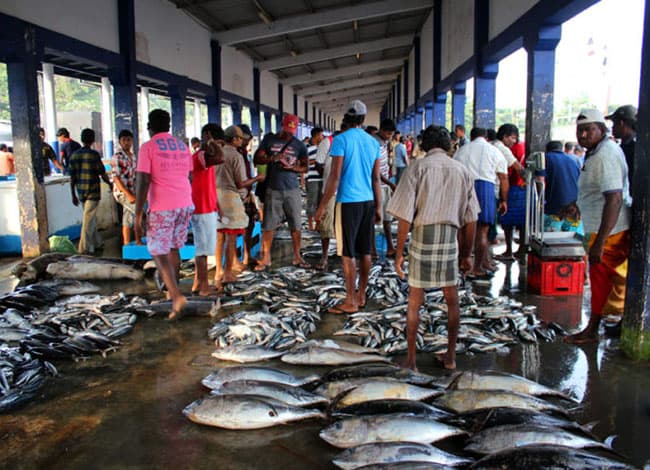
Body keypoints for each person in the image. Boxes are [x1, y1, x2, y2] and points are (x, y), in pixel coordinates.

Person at [389, 125, 479, 370]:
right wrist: (467, 255)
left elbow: (404, 217)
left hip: (422, 236)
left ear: (424, 145)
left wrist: (399, 254)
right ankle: (450, 357)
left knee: (415, 301)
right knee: (452, 301)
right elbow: (471, 219)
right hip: (450, 238)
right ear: (449, 145)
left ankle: (411, 360)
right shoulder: (463, 171)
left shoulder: (416, 168)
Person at [565, 109, 632, 344]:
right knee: (600, 280)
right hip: (596, 228)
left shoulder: (606, 155)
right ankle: (599, 327)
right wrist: (577, 205)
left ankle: (593, 330)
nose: (583, 135)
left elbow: (614, 199)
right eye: (580, 130)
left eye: (588, 130)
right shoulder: (596, 152)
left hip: (610, 233)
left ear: (602, 131)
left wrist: (600, 243)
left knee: (605, 282)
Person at [314, 100, 381, 314]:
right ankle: (361, 295)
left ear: (346, 118)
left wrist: (321, 206)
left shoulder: (341, 140)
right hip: (368, 201)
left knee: (347, 253)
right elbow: (376, 178)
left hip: (348, 202)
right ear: (362, 119)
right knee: (365, 251)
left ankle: (350, 300)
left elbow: (334, 177)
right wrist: (379, 206)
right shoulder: (373, 143)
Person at [135, 109, 193, 320]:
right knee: (173, 247)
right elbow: (189, 175)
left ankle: (176, 296)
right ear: (168, 125)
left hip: (163, 206)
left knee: (158, 251)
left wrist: (137, 214)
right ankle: (171, 291)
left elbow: (142, 180)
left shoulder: (148, 147)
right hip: (185, 202)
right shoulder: (182, 146)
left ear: (150, 127)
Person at [253, 114, 308, 270]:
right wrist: (273, 158)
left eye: (292, 130)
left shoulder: (299, 145)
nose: (289, 133)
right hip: (273, 188)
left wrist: (293, 168)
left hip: (292, 189)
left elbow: (305, 167)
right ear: (282, 126)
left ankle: (297, 256)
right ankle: (266, 257)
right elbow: (257, 159)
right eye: (287, 129)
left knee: (296, 224)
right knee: (269, 224)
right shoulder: (269, 140)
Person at [454, 127, 508, 277]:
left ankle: (462, 263)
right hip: (485, 187)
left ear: (471, 137)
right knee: (482, 230)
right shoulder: (494, 151)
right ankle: (477, 267)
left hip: (464, 186)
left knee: (462, 229)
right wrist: (504, 200)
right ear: (486, 137)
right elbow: (503, 178)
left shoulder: (462, 150)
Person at [216, 125, 264, 284]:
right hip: (231, 198)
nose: (243, 141)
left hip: (216, 197)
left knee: (220, 235)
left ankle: (219, 270)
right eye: (240, 138)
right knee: (231, 236)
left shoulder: (216, 152)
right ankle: (229, 271)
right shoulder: (235, 155)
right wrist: (257, 179)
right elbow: (240, 183)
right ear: (235, 139)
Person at [191, 123, 225, 296]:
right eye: (218, 143)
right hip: (201, 207)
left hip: (208, 206)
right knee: (203, 250)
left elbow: (209, 183)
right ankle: (204, 286)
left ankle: (198, 282)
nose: (220, 148)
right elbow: (221, 158)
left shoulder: (205, 156)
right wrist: (210, 141)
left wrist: (216, 204)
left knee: (203, 248)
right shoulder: (201, 156)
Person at [68, 128, 112, 255]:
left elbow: (73, 177)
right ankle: (85, 248)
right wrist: (109, 183)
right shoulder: (94, 155)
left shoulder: (74, 155)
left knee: (89, 218)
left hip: (81, 191)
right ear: (93, 140)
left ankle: (97, 242)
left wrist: (73, 195)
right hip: (93, 191)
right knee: (88, 220)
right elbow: (102, 172)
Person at [492, 124, 525, 260]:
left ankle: (509, 251)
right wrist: (528, 179)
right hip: (508, 189)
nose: (514, 141)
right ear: (504, 137)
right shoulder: (502, 148)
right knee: (512, 220)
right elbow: (517, 168)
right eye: (512, 137)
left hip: (501, 188)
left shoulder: (492, 145)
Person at [316, 124, 340, 272]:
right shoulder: (328, 143)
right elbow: (319, 164)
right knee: (326, 225)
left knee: (344, 225)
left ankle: (341, 253)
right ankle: (324, 256)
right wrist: (327, 177)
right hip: (329, 192)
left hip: (346, 193)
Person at [542, 140, 581, 231]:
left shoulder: (545, 158)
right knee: (569, 234)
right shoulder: (572, 159)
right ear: (562, 149)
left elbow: (540, 179)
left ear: (547, 150)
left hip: (554, 204)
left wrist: (541, 200)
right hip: (573, 205)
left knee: (551, 233)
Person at [373, 118, 397, 257]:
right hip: (378, 186)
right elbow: (375, 172)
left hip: (384, 185)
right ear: (381, 130)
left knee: (387, 218)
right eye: (388, 133)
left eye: (391, 134)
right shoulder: (374, 143)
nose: (389, 136)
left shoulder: (384, 143)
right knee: (375, 219)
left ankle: (390, 246)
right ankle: (372, 249)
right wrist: (390, 183)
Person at [236, 124, 259, 267]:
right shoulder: (234, 154)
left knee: (250, 225)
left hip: (248, 193)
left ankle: (246, 256)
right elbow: (239, 180)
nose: (247, 142)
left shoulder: (245, 154)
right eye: (245, 139)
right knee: (235, 230)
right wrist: (256, 179)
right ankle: (234, 260)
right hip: (238, 195)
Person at [111, 130, 138, 245]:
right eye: (124, 140)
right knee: (139, 212)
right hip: (122, 192)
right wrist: (128, 194)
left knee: (128, 217)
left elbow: (135, 176)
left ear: (132, 141)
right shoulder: (117, 157)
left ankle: (126, 244)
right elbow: (116, 178)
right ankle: (138, 241)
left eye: (128, 140)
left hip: (132, 190)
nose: (126, 142)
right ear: (119, 142)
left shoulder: (133, 156)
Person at [606, 105, 637, 184]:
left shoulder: (632, 149)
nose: (612, 127)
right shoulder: (631, 145)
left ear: (621, 123)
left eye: (614, 123)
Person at [305, 127, 325, 231]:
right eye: (321, 135)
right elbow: (304, 163)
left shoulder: (323, 148)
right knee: (311, 202)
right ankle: (310, 225)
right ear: (316, 135)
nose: (322, 137)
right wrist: (315, 162)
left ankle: (318, 225)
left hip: (322, 179)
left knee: (320, 202)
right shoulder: (307, 149)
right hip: (312, 179)